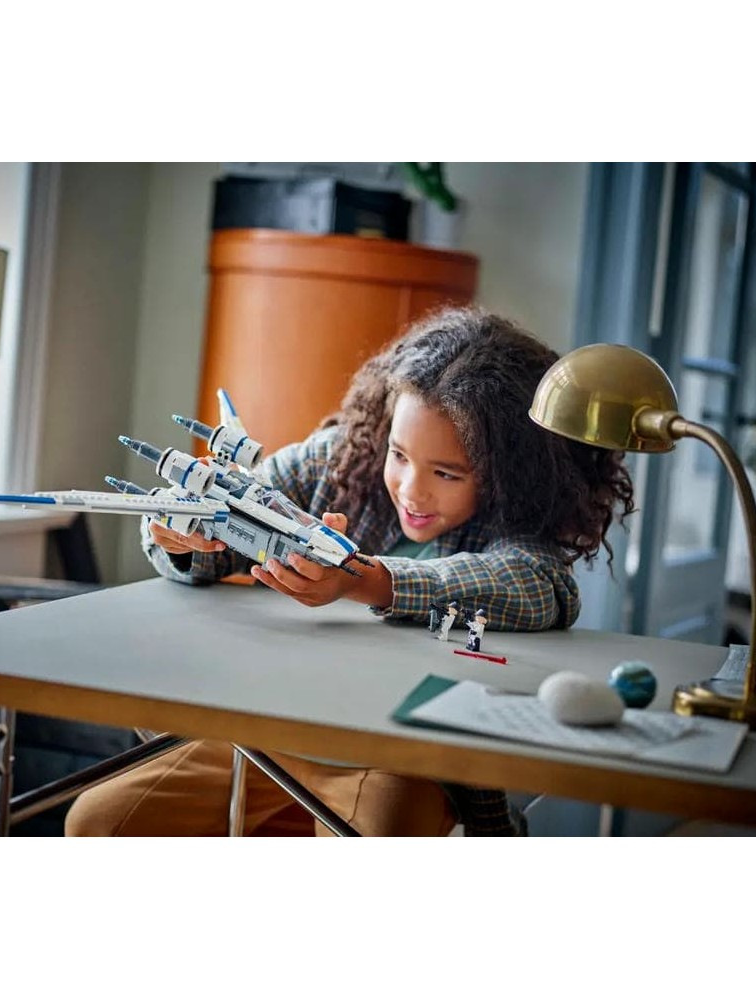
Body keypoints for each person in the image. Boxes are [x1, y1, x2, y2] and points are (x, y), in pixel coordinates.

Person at [65, 306, 634, 837]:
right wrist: (181, 538)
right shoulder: (338, 458)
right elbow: (227, 522)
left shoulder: (516, 518)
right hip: (270, 725)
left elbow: (538, 586)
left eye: (447, 473)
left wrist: (368, 581)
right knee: (98, 823)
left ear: (506, 471)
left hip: (402, 756)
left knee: (377, 831)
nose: (412, 490)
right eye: (399, 455)